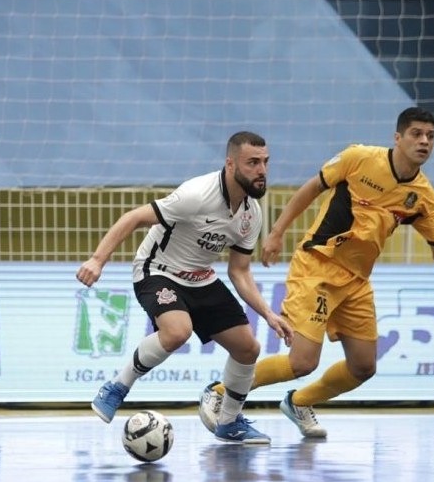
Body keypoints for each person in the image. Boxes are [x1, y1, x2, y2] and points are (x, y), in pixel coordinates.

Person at [198, 107, 434, 438]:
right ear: (398, 138)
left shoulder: (422, 197)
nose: (424, 141)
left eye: (430, 136)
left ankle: (299, 403)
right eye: (416, 134)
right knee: (302, 362)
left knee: (363, 367)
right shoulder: (359, 158)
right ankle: (219, 393)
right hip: (318, 267)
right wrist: (277, 232)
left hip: (356, 282)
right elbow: (312, 188)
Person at [76, 131, 293, 444]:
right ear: (231, 164)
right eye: (253, 163)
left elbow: (239, 271)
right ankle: (117, 387)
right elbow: (134, 217)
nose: (262, 170)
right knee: (177, 331)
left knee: (248, 348)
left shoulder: (251, 214)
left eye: (266, 162)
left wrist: (269, 314)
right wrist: (97, 260)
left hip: (201, 277)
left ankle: (229, 422)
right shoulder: (197, 194)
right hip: (157, 270)